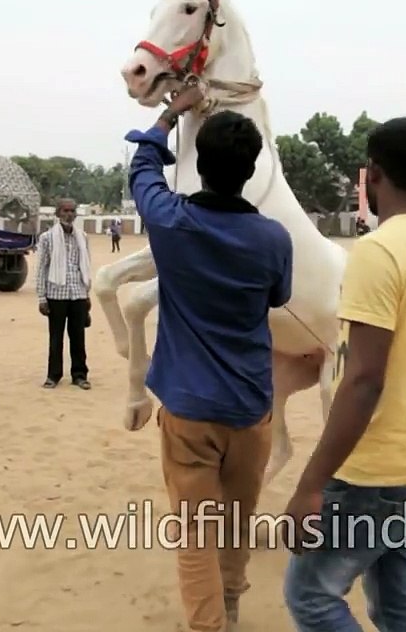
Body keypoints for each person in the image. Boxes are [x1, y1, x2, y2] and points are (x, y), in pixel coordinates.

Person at [281, 117, 406, 632]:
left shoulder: (377, 251)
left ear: (373, 175)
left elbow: (364, 378)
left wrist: (310, 485)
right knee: (393, 593)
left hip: (375, 475)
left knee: (310, 595)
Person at [124, 85, 293, 632]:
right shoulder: (272, 238)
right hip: (249, 408)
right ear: (250, 169)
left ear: (198, 164)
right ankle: (232, 600)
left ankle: (208, 623)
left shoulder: (172, 223)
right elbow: (279, 298)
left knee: (195, 534)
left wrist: (169, 114)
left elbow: (142, 167)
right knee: (237, 523)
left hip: (190, 411)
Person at [36, 199, 93, 389]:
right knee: (56, 337)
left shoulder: (82, 237)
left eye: (72, 211)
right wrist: (42, 298)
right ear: (58, 213)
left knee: (78, 337)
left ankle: (79, 375)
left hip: (78, 293)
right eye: (65, 210)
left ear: (76, 214)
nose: (69, 214)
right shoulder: (47, 238)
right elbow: (41, 268)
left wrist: (87, 295)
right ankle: (54, 375)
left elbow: (85, 267)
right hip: (55, 293)